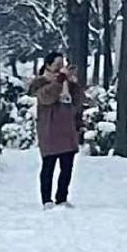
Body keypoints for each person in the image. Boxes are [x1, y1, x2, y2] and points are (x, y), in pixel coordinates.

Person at [27, 52, 86, 208]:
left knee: (67, 167)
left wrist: (73, 84)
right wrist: (60, 80)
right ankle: (46, 199)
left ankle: (62, 197)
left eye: (62, 64)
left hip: (68, 130)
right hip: (49, 130)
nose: (60, 68)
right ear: (48, 65)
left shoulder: (68, 83)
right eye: (57, 65)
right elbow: (46, 97)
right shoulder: (40, 83)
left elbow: (78, 102)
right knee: (49, 166)